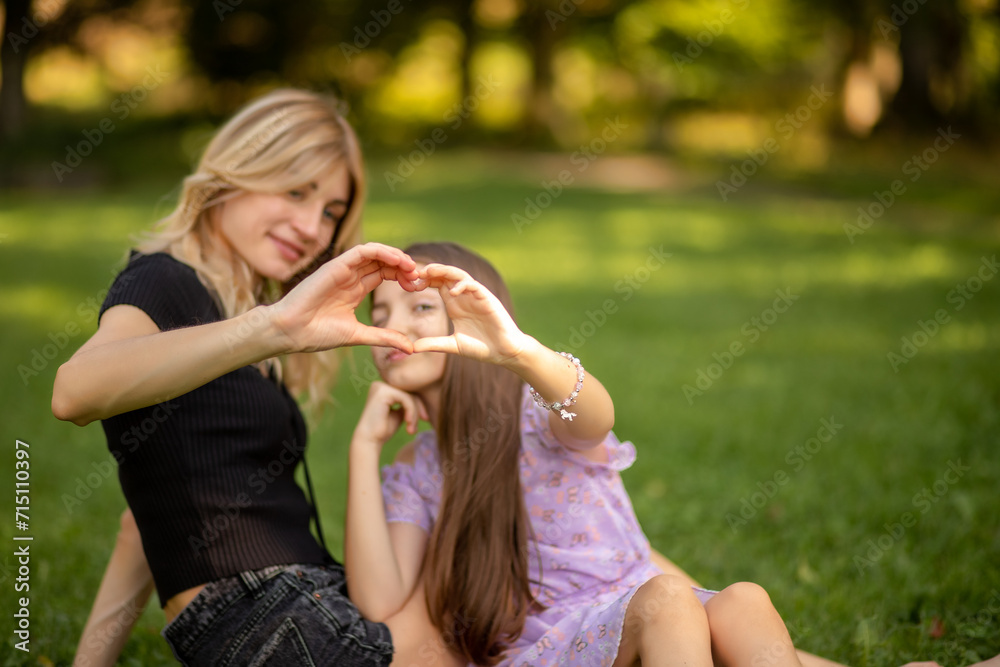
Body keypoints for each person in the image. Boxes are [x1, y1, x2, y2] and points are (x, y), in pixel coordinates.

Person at [52, 88, 427, 666]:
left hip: (300, 603)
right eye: (296, 191)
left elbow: (142, 523)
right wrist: (270, 327)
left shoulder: (237, 309)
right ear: (236, 173)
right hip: (265, 612)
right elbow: (75, 391)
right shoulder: (165, 280)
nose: (312, 227)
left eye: (330, 212)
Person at [345, 241, 807, 667]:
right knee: (667, 599)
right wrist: (364, 447)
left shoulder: (535, 413)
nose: (391, 326)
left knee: (744, 601)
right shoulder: (419, 465)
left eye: (421, 306)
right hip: (554, 645)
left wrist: (519, 352)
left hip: (646, 608)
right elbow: (380, 602)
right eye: (379, 313)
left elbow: (596, 418)